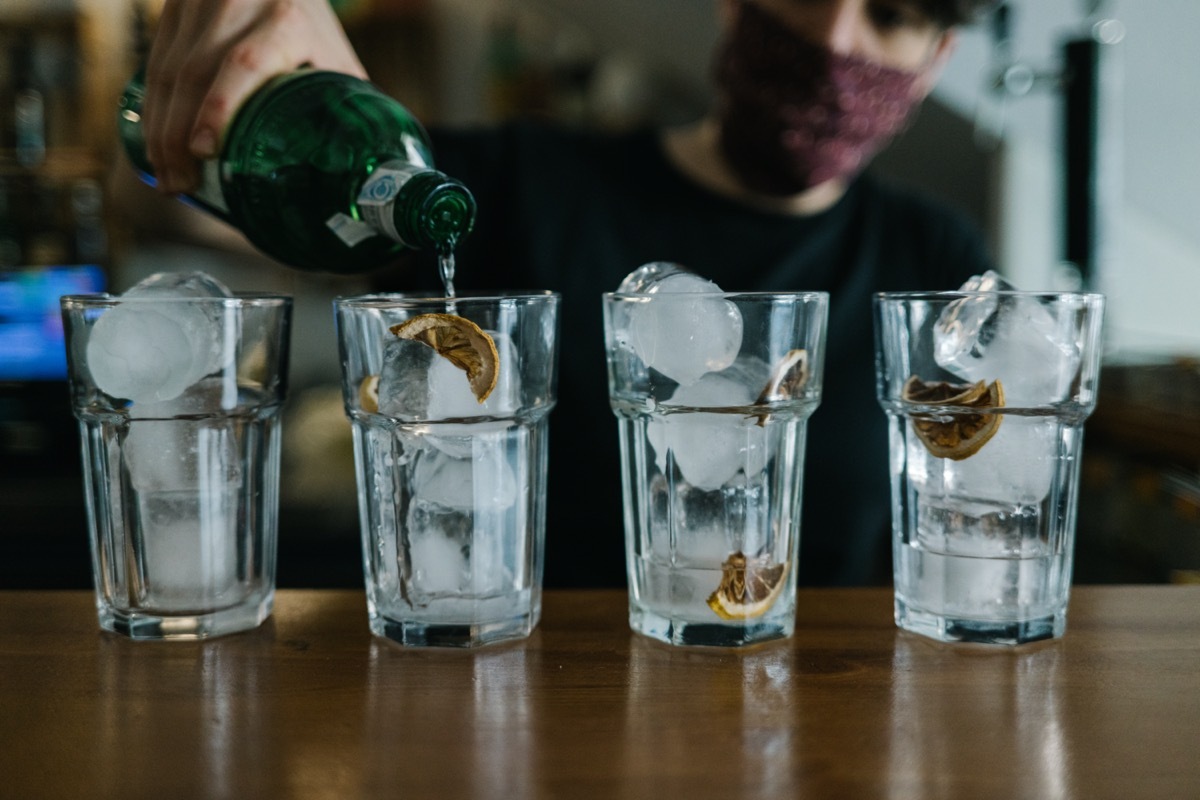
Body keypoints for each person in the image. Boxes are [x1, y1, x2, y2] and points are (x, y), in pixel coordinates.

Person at [130, 0, 998, 588]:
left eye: (889, 12)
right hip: (526, 711)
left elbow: (966, 547)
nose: (838, 35)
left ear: (937, 58)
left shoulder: (934, 259)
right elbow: (318, 196)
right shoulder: (518, 187)